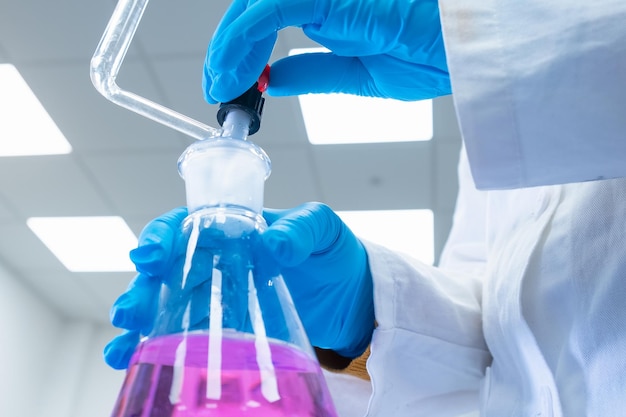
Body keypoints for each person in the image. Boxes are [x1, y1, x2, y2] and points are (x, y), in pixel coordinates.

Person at [104, 1, 626, 416]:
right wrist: (367, 310)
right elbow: (507, 335)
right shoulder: (492, 139)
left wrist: (537, 43)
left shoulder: (504, 114)